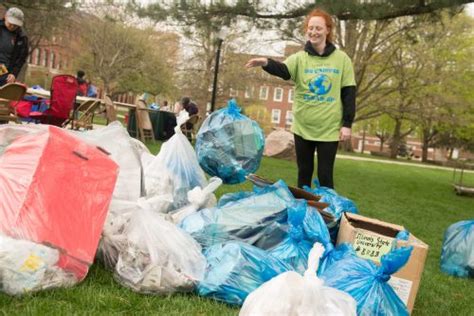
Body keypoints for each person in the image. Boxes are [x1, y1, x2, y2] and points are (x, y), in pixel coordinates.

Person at [245, 8, 356, 189]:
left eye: (318, 28)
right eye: (310, 28)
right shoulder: (299, 58)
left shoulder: (342, 60)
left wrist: (347, 124)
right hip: (303, 127)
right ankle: (305, 213)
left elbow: (349, 92)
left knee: (325, 176)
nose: (313, 32)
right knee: (303, 174)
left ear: (328, 30)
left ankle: (328, 214)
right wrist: (265, 62)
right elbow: (283, 70)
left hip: (328, 129)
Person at [0, 7, 28, 86]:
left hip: (5, 72)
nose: (12, 26)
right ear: (5, 17)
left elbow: (21, 59)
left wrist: (13, 74)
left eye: (15, 25)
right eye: (10, 23)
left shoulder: (22, 38)